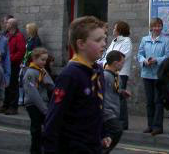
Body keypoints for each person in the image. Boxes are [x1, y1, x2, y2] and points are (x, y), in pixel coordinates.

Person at [42, 16, 110, 153]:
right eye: (98, 40)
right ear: (81, 44)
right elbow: (54, 117)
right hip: (72, 147)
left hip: (93, 145)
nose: (104, 44)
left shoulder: (97, 71)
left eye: (104, 39)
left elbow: (97, 107)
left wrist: (103, 133)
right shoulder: (70, 75)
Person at [137, 18, 169, 135]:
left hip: (158, 75)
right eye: (155, 26)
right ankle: (150, 125)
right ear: (151, 27)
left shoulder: (166, 40)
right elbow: (139, 54)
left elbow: (168, 56)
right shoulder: (144, 39)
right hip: (146, 74)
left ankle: (158, 127)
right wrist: (144, 60)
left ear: (162, 27)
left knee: (158, 101)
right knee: (149, 101)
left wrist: (156, 60)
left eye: (159, 26)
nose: (157, 28)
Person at [98, 20, 132, 130]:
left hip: (120, 73)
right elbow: (106, 56)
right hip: (109, 71)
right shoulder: (114, 41)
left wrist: (108, 63)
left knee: (120, 97)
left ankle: (123, 122)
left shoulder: (126, 42)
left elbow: (121, 57)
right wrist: (102, 64)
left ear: (120, 30)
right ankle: (115, 119)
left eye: (115, 28)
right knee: (113, 95)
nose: (113, 30)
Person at [23, 47, 54, 154]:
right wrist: (44, 109)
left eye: (46, 60)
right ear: (34, 59)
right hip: (33, 104)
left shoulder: (42, 71)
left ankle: (42, 147)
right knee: (36, 128)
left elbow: (51, 86)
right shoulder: (30, 73)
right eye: (42, 59)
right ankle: (35, 150)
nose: (44, 62)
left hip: (43, 103)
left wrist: (49, 82)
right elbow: (33, 94)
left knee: (45, 128)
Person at [103, 50, 131, 153]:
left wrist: (122, 93)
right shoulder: (104, 76)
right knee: (117, 130)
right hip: (107, 112)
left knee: (108, 137)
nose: (123, 65)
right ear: (115, 63)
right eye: (122, 62)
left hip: (114, 111)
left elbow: (115, 91)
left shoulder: (117, 76)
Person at [0, 18, 26, 115]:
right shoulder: (6, 35)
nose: (5, 24)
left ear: (12, 25)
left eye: (7, 23)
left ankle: (13, 107)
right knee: (6, 85)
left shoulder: (19, 36)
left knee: (13, 85)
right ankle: (5, 105)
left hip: (14, 64)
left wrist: (10, 59)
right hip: (6, 64)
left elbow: (21, 51)